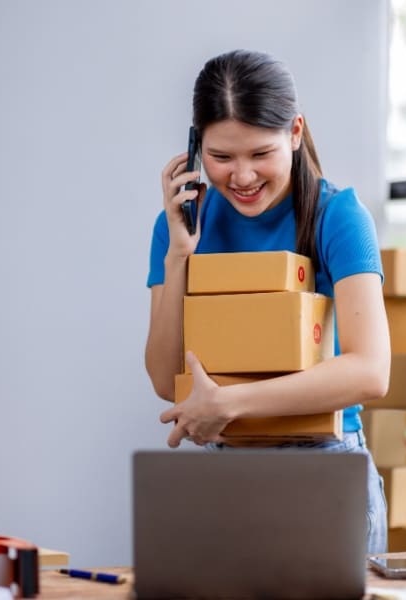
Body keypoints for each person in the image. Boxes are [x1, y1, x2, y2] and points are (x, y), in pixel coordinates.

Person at [144, 49, 391, 553]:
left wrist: (228, 405)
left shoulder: (338, 215)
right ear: (195, 149)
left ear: (295, 133)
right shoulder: (179, 228)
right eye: (221, 156)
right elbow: (166, 380)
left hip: (324, 466)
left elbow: (371, 372)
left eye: (260, 154)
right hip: (226, 470)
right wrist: (177, 257)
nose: (242, 176)